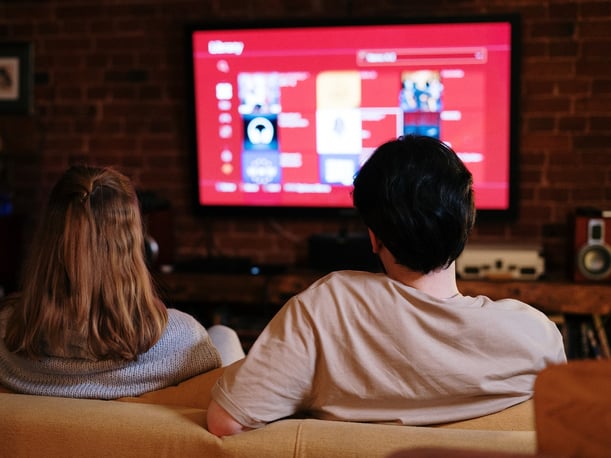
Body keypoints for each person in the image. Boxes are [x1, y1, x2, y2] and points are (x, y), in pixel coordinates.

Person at [206, 135, 567, 436]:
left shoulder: (330, 307)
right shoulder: (538, 337)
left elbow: (226, 423)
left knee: (221, 335)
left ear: (374, 238)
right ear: (466, 224)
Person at [0, 165, 244, 399]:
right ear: (134, 247)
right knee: (224, 334)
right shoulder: (183, 339)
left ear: (47, 243)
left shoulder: (6, 333)